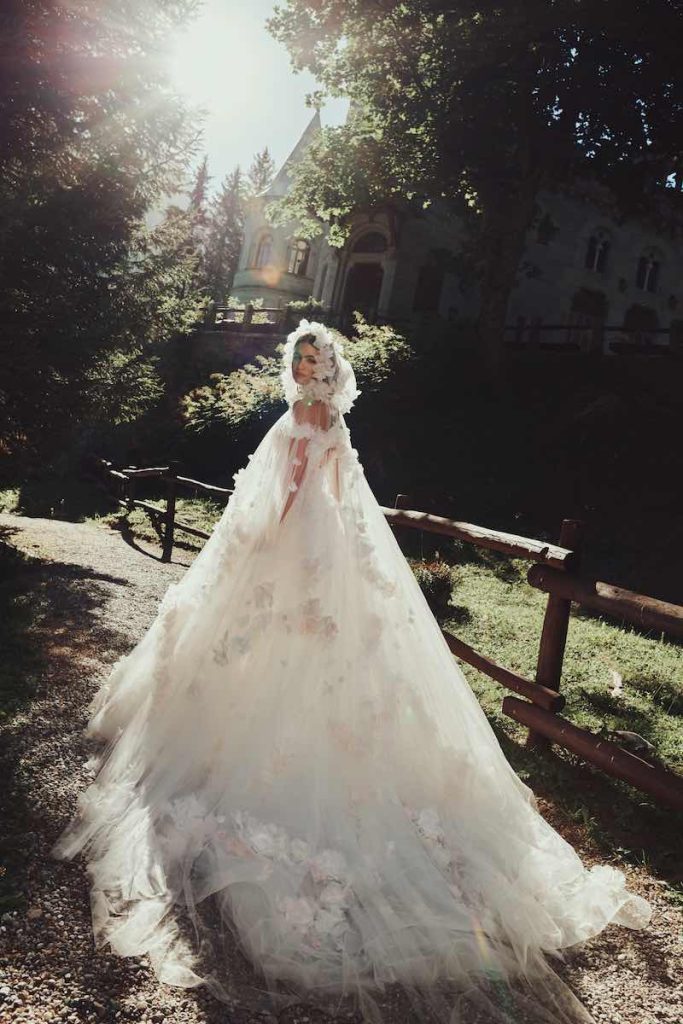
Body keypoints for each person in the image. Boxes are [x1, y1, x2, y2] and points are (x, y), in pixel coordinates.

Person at [51, 319, 651, 1024]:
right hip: (326, 544)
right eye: (301, 358)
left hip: (292, 541)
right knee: (330, 659)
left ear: (327, 368)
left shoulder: (307, 413)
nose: (307, 368)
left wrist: (263, 537)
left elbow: (299, 481)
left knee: (266, 645)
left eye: (315, 358)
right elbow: (336, 487)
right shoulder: (331, 414)